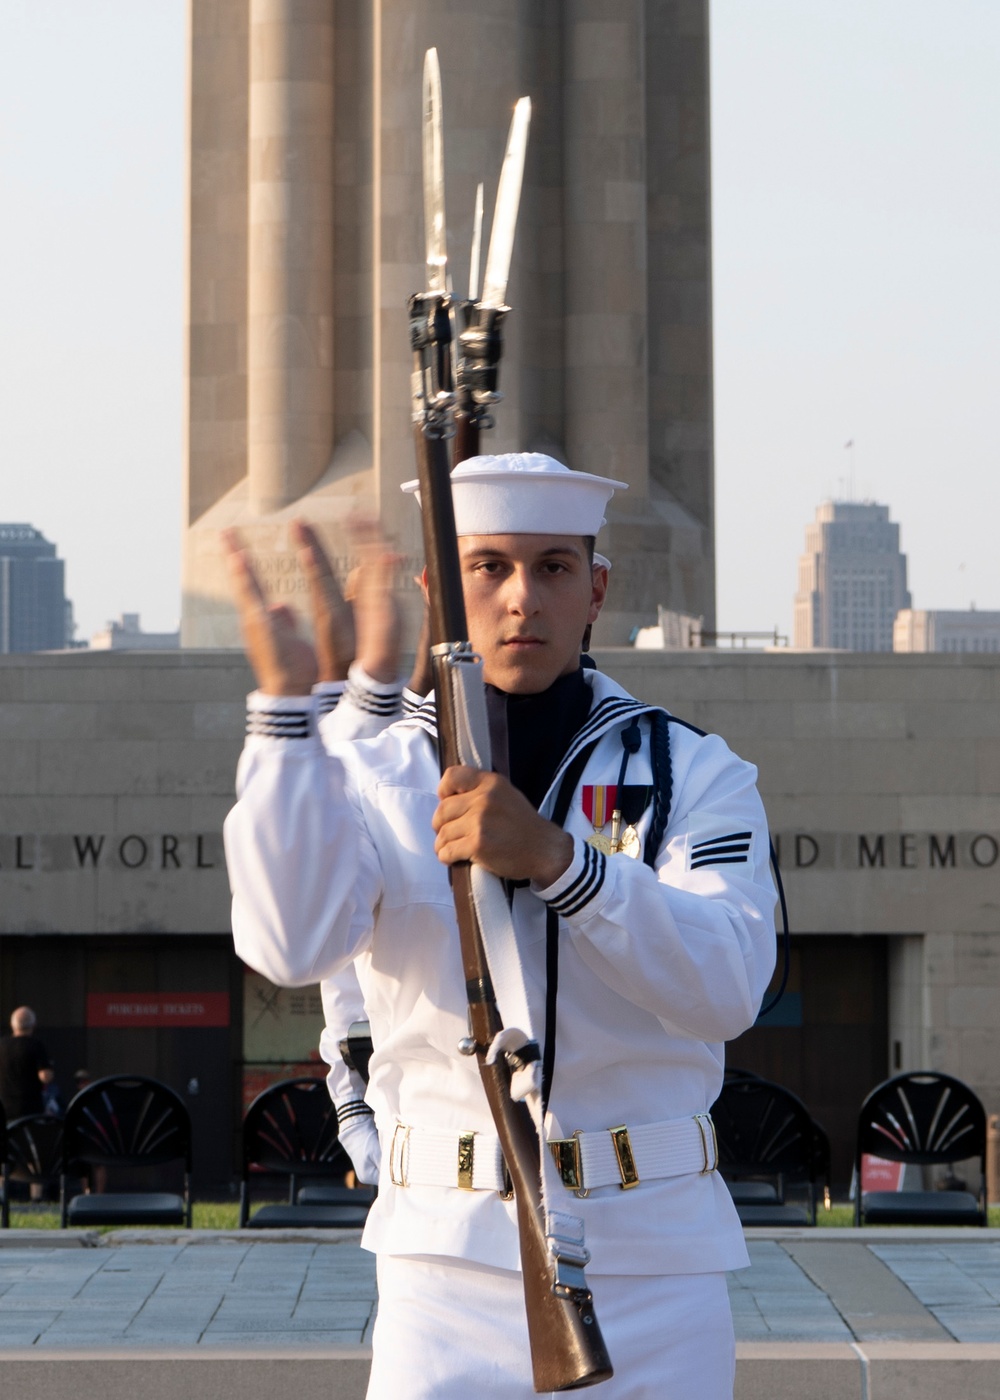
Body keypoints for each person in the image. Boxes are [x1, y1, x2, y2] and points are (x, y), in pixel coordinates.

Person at [223, 453, 777, 1399]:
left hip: (656, 1258)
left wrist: (563, 864)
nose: (523, 598)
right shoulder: (381, 775)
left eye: (554, 567)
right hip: (445, 1267)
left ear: (597, 588)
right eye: (490, 567)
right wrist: (285, 722)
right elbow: (289, 943)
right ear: (439, 587)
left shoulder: (694, 773)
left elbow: (727, 985)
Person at [0, 1006, 55, 1122]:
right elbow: (45, 1076)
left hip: (5, 1108)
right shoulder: (36, 1045)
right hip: (31, 1110)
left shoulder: (2, 1046)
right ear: (33, 1024)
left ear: (12, 1024)